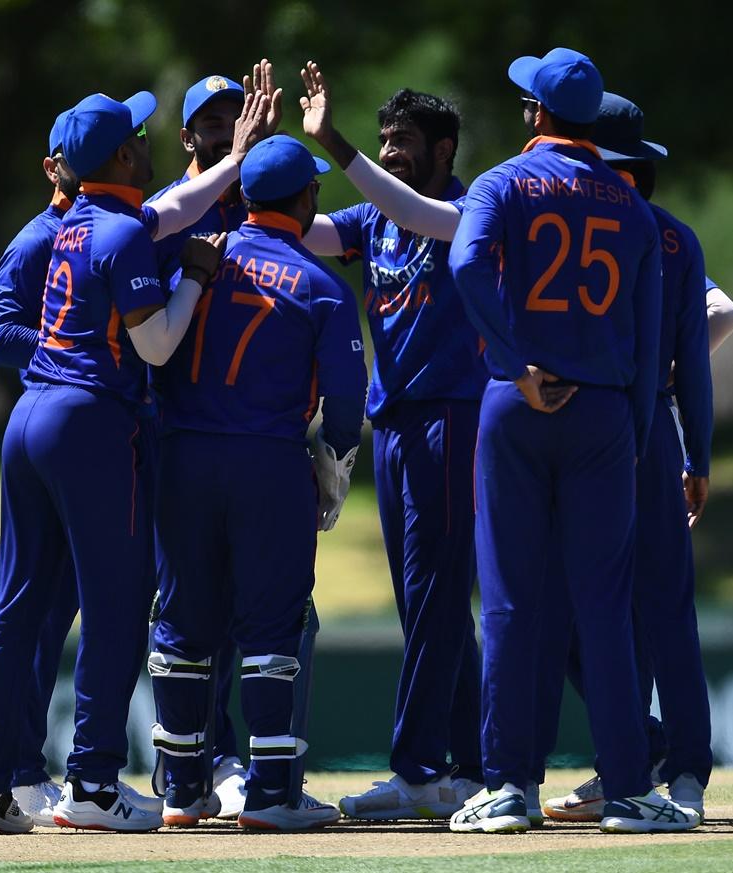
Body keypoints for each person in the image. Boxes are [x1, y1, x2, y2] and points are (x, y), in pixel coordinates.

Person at [0, 88, 267, 834]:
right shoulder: (123, 233)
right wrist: (193, 276)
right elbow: (157, 345)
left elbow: (178, 206)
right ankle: (92, 783)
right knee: (119, 605)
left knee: (16, 607)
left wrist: (235, 158)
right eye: (136, 134)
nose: (147, 140)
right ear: (124, 155)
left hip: (29, 417)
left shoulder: (70, 223)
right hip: (93, 423)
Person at [445, 48, 699, 834]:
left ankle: (508, 789)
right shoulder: (631, 208)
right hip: (606, 414)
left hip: (516, 405)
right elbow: (653, 331)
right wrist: (637, 427)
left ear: (537, 115)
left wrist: (512, 360)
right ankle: (627, 787)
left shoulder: (500, 183)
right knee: (606, 604)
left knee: (514, 604)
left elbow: (464, 265)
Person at [149, 134, 367, 831]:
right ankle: (271, 794)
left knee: (182, 621)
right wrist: (333, 478)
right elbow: (345, 402)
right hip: (267, 465)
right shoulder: (322, 284)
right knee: (274, 623)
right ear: (305, 199)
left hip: (181, 457)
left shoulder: (195, 260)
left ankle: (182, 791)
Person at [538, 94, 733, 822]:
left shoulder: (560, 217)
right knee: (657, 609)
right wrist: (700, 455)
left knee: (573, 604)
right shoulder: (678, 238)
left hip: (577, 425)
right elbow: (694, 361)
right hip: (649, 430)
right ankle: (662, 762)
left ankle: (650, 760)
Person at [294, 63, 487, 819]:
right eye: (383, 140)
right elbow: (303, 231)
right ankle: (472, 766)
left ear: (444, 150)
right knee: (425, 605)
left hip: (453, 417)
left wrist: (333, 142)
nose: (391, 151)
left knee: (438, 596)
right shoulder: (372, 220)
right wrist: (242, 169)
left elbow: (403, 201)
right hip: (398, 425)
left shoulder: (469, 209)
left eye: (403, 140)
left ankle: (416, 772)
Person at [144, 63, 283, 820]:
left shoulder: (258, 205)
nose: (229, 125)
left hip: (253, 435)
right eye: (214, 117)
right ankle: (188, 762)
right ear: (187, 132)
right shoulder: (172, 207)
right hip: (177, 429)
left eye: (238, 115)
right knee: (186, 605)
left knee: (253, 606)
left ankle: (232, 760)